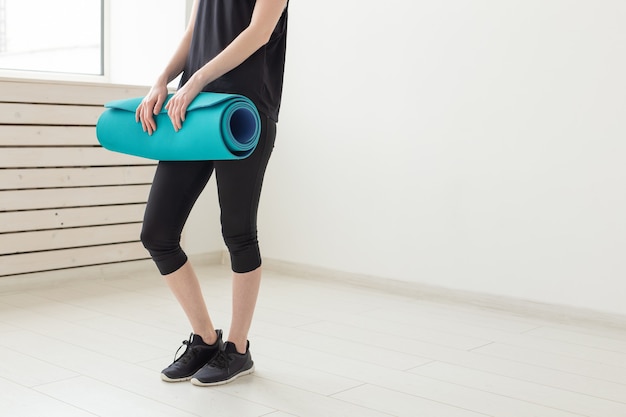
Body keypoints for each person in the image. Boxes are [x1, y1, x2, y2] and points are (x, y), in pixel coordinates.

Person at [135, 0, 288, 386]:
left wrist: (197, 80)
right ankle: (205, 340)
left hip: (243, 108)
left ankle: (237, 350)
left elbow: (259, 32)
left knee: (238, 232)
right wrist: (162, 80)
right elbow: (193, 33)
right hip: (192, 108)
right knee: (157, 233)